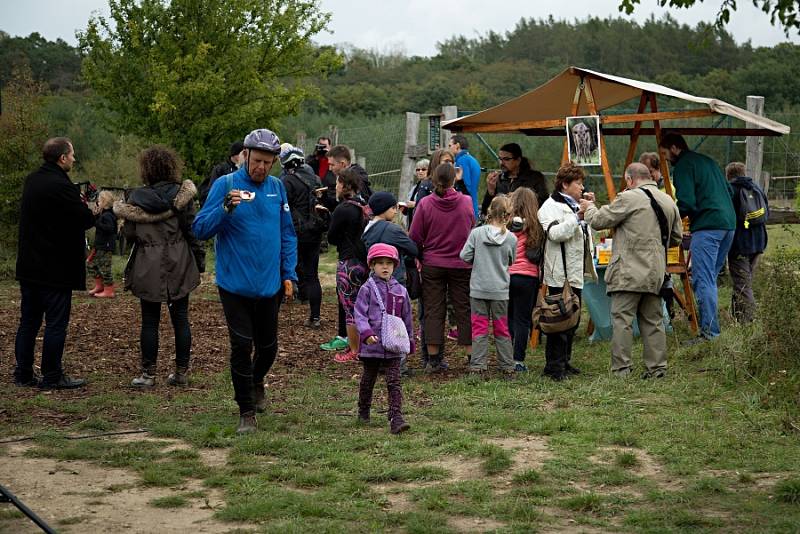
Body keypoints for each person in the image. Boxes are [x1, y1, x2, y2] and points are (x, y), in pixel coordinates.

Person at [193, 128, 298, 434]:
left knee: (268, 347)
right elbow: (199, 229)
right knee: (241, 345)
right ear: (245, 156)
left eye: (268, 162)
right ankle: (246, 411)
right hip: (234, 285)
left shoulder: (277, 188)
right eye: (257, 161)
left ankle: (256, 381)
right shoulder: (226, 185)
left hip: (269, 285)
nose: (261, 167)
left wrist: (289, 272)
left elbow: (287, 233)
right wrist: (224, 209)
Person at [114, 145, 204, 387]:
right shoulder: (182, 196)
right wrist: (200, 259)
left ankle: (148, 374)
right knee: (181, 318)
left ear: (147, 170)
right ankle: (181, 373)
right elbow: (191, 229)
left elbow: (130, 234)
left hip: (148, 262)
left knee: (149, 320)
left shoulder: (135, 198)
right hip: (179, 260)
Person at [583, 163, 682, 378]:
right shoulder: (668, 201)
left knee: (622, 320)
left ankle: (622, 369)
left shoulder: (628, 198)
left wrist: (589, 207)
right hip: (656, 271)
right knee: (654, 321)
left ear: (630, 180)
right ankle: (657, 369)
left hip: (628, 270)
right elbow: (676, 238)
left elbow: (599, 221)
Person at [14, 137, 95, 389]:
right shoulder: (61, 186)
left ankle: (23, 373)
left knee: (28, 321)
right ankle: (52, 375)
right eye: (71, 155)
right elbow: (83, 219)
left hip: (29, 266)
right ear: (62, 158)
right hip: (55, 269)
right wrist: (96, 207)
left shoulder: (32, 180)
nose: (74, 158)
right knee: (56, 323)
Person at [658, 132, 736, 342]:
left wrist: (668, 221)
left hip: (708, 226)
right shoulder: (707, 161)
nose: (665, 158)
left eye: (665, 153)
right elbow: (730, 192)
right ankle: (711, 326)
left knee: (703, 280)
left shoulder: (684, 165)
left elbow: (686, 202)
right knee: (706, 279)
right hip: (728, 225)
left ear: (675, 148)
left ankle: (710, 333)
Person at [409, 163, 475, 372]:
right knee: (463, 308)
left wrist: (421, 255)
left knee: (433, 310)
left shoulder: (426, 204)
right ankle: (471, 354)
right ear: (454, 179)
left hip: (432, 263)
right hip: (461, 263)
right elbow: (471, 228)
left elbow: (415, 236)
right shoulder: (466, 202)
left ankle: (434, 358)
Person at [537, 163, 597, 381]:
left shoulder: (574, 204)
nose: (581, 188)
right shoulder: (549, 207)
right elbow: (555, 233)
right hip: (559, 273)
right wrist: (577, 217)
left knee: (573, 319)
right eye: (578, 183)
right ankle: (553, 367)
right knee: (558, 321)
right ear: (565, 184)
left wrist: (588, 209)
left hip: (575, 272)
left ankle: (565, 361)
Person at [354, 243, 414, 434]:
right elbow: (360, 314)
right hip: (372, 346)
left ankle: (396, 416)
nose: (385, 267)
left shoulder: (401, 291)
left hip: (394, 346)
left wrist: (410, 341)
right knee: (368, 379)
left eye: (389, 263)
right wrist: (366, 333)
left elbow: (407, 319)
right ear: (372, 265)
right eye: (380, 263)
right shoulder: (367, 289)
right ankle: (363, 410)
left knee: (394, 381)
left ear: (395, 265)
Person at [460, 196, 517, 376]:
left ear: (489, 212)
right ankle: (507, 365)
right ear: (508, 215)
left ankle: (478, 365)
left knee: (479, 327)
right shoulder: (511, 238)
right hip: (500, 290)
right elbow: (511, 260)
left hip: (478, 288)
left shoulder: (477, 234)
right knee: (502, 328)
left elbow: (464, 256)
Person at [279, 145, 330, 329]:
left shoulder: (286, 181)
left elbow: (282, 208)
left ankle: (272, 316)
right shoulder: (315, 179)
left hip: (293, 233)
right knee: (312, 275)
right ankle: (315, 317)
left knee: (284, 270)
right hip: (314, 232)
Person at [327, 168, 370, 363]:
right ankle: (368, 345)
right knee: (365, 307)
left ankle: (354, 350)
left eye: (337, 183)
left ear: (344, 185)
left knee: (350, 308)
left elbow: (332, 237)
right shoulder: (364, 206)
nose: (335, 186)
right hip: (364, 262)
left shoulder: (343, 209)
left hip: (348, 264)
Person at [725, 161, 769, 323]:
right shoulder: (757, 188)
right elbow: (767, 213)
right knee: (744, 280)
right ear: (744, 172)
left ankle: (748, 322)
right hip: (759, 242)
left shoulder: (731, 191)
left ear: (728, 175)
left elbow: (727, 216)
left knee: (743, 285)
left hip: (740, 245)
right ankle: (738, 317)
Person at [507, 188, 545, 371]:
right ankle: (518, 360)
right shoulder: (536, 226)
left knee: (508, 318)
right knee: (522, 320)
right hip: (528, 276)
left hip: (507, 274)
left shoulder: (505, 223)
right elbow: (535, 255)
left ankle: (506, 356)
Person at [482, 143, 549, 216]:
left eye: (506, 159)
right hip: (501, 223)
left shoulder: (534, 178)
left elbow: (543, 204)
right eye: (500, 159)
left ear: (518, 160)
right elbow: (486, 210)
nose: (502, 163)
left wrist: (519, 199)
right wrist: (490, 192)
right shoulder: (498, 180)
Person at [87, 190, 118, 298]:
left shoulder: (108, 216)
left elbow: (109, 229)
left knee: (105, 268)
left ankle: (109, 290)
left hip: (106, 246)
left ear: (104, 202)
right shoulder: (103, 215)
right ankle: (99, 286)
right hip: (100, 245)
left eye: (99, 201)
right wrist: (95, 217)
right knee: (91, 264)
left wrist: (97, 222)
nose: (97, 203)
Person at [199, 140, 244, 206]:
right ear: (236, 154)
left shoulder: (244, 169)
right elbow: (212, 190)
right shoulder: (220, 169)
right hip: (222, 206)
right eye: (243, 153)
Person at [448, 134, 481, 218]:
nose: (449, 148)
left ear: (457, 145)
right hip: (472, 206)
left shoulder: (462, 160)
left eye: (450, 145)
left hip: (466, 209)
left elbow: (466, 186)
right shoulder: (470, 158)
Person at [402, 158, 431, 228]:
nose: (420, 172)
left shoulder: (432, 186)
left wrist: (415, 204)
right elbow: (408, 210)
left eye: (423, 169)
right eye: (418, 170)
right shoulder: (414, 188)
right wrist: (403, 208)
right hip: (412, 224)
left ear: (429, 170)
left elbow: (432, 205)